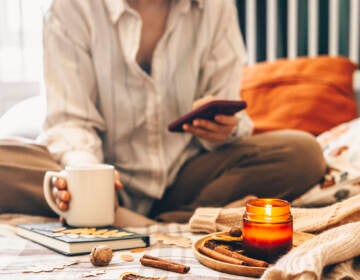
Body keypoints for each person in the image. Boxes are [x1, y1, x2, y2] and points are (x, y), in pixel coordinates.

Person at [0, 0, 326, 224]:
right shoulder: (70, 8)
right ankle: (138, 218)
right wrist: (89, 176)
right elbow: (71, 120)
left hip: (184, 176)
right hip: (101, 174)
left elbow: (226, 102)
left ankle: (143, 222)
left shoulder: (215, 8)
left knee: (303, 152)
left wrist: (225, 130)